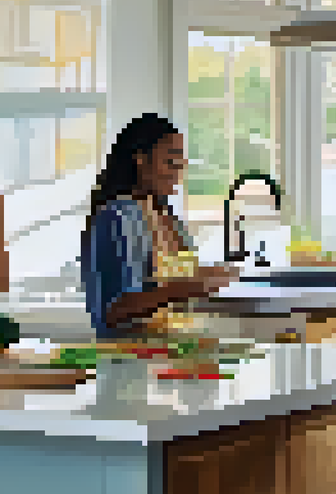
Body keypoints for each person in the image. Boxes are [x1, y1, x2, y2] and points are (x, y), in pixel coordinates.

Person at [82, 113, 236, 337]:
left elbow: (163, 279)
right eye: (170, 161)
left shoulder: (167, 214)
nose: (178, 170)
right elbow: (114, 311)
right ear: (140, 159)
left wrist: (213, 274)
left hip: (176, 352)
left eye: (181, 162)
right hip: (135, 360)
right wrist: (187, 287)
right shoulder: (118, 216)